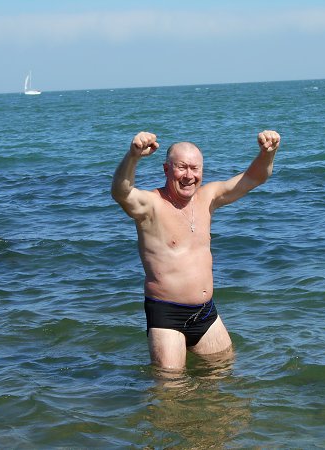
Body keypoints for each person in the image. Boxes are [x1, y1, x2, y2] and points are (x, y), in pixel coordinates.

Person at [111, 130, 281, 369]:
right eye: (182, 167)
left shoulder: (208, 198)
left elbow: (255, 177)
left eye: (195, 168)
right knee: (170, 387)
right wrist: (133, 156)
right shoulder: (151, 205)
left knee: (224, 378)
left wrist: (268, 153)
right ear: (166, 169)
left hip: (206, 313)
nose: (189, 176)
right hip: (167, 315)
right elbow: (121, 192)